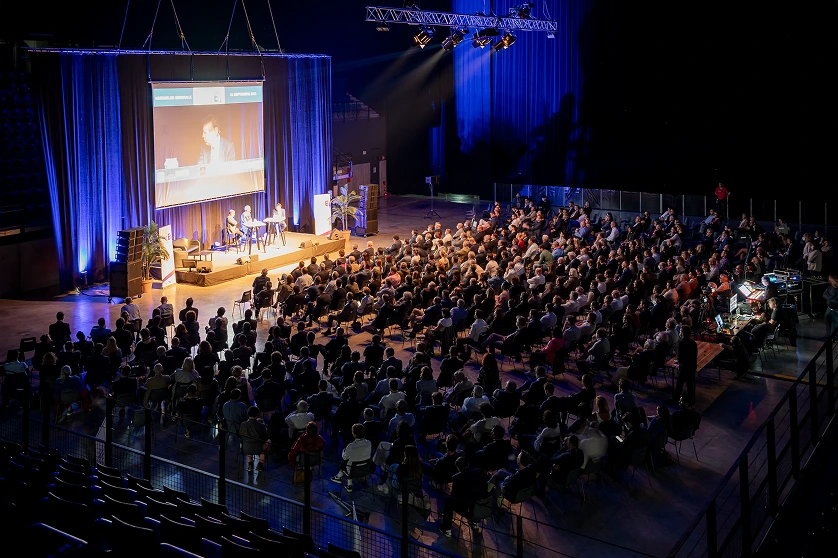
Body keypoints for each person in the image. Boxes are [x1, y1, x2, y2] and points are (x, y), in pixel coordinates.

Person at [440, 457, 490, 537]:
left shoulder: (457, 477)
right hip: (485, 507)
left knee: (448, 501)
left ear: (458, 467)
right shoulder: (478, 471)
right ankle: (475, 522)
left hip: (470, 510)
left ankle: (447, 529)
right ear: (468, 464)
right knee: (474, 497)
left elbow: (454, 496)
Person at [330, 423, 373, 491]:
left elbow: (344, 457)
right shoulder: (369, 443)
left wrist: (344, 451)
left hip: (353, 470)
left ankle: (341, 478)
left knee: (346, 459)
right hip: (365, 469)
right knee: (351, 459)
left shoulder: (351, 446)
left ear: (354, 434)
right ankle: (343, 480)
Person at [239, 406, 270, 472]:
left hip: (246, 448)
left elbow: (241, 436)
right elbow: (266, 437)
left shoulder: (243, 424)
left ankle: (250, 464)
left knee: (248, 441)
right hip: (258, 448)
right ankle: (260, 464)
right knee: (269, 441)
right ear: (257, 414)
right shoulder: (261, 425)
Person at [673, 326, 697, 404]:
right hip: (692, 366)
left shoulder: (681, 343)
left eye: (680, 331)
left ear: (682, 333)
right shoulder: (693, 343)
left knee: (679, 384)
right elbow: (694, 355)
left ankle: (676, 399)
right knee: (690, 384)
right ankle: (691, 400)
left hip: (684, 367)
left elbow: (680, 356)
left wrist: (679, 364)